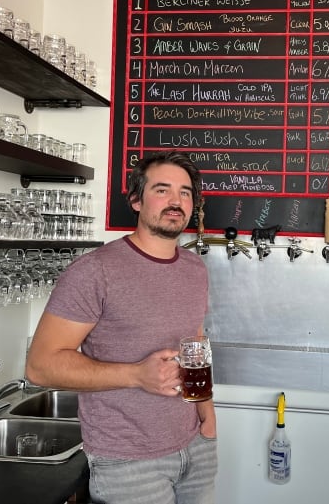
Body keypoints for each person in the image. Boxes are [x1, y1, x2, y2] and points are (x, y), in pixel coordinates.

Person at [26, 150, 217, 504]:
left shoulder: (195, 269)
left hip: (195, 445)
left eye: (186, 192)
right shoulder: (94, 271)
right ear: (135, 200)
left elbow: (197, 343)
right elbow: (40, 366)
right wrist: (136, 375)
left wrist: (208, 417)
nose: (176, 201)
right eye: (162, 190)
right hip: (128, 462)